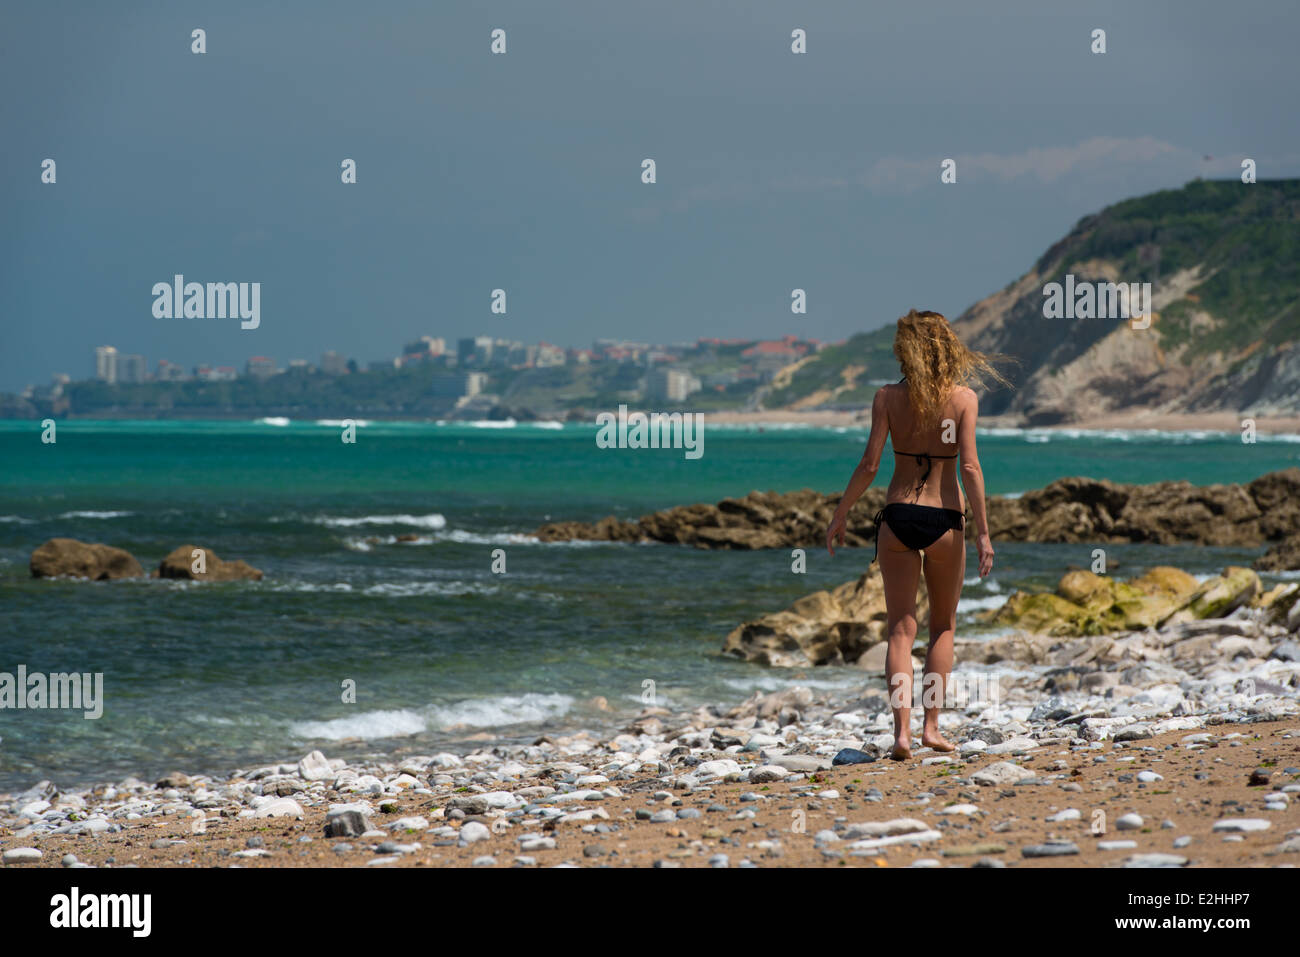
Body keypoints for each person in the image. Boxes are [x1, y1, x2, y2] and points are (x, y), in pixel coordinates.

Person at [825, 309, 1009, 760]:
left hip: (897, 517)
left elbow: (869, 465)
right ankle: (931, 727)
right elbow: (969, 468)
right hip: (944, 519)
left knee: (900, 630)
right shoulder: (964, 399)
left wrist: (841, 513)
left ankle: (901, 735)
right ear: (948, 348)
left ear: (904, 351)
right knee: (942, 625)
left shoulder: (887, 397)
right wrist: (984, 533)